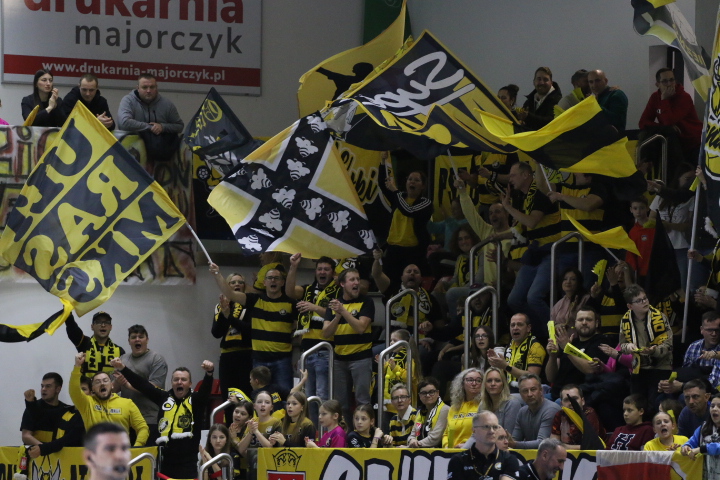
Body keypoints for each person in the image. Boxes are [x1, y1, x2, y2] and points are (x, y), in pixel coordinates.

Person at [109, 357, 214, 478]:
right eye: (176, 379)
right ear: (171, 383)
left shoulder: (197, 401)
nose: (179, 382)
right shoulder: (163, 397)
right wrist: (123, 368)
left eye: (184, 380)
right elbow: (142, 385)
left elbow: (205, 391)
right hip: (164, 464)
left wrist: (209, 373)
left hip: (188, 466)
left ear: (190, 384)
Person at [210, 262, 298, 392]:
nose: (273, 280)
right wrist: (217, 273)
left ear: (282, 282)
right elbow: (230, 294)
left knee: (284, 396)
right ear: (264, 283)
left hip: (282, 360)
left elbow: (297, 330)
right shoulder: (254, 300)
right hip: (259, 359)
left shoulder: (290, 303)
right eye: (269, 278)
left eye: (276, 278)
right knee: (259, 397)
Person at [503, 162, 562, 337]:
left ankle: (555, 334)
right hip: (535, 252)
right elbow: (521, 227)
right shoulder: (523, 197)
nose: (510, 179)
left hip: (550, 252)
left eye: (513, 175)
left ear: (525, 175)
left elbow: (531, 221)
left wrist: (507, 207)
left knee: (533, 297)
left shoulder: (539, 194)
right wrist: (494, 237)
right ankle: (539, 332)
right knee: (514, 300)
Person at [285, 253, 339, 416]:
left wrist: (314, 307)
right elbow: (289, 292)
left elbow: (337, 315)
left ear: (333, 273)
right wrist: (293, 267)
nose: (322, 272)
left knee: (322, 396)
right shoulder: (308, 289)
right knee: (308, 398)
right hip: (306, 352)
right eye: (319, 269)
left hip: (325, 351)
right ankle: (314, 429)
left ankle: (324, 430)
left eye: (326, 269)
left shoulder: (338, 292)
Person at [322, 268, 374, 421]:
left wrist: (343, 311)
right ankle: (345, 433)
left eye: (358, 279)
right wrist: (337, 316)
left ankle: (366, 433)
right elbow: (326, 333)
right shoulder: (334, 305)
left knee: (362, 401)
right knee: (341, 404)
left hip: (361, 359)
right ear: (342, 284)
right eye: (352, 280)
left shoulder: (367, 301)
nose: (356, 283)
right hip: (339, 360)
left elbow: (361, 328)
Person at [70, 353, 148, 446]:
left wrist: (137, 447)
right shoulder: (87, 404)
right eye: (97, 382)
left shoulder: (127, 403)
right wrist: (77, 366)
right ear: (93, 389)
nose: (102, 384)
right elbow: (74, 390)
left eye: (105, 380)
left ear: (112, 385)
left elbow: (142, 428)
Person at [619, 284, 673, 405]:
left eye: (645, 298)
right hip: (638, 367)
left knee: (654, 403)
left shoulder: (660, 317)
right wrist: (628, 347)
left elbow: (669, 345)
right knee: (636, 403)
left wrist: (653, 351)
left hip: (660, 366)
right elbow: (622, 345)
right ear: (630, 306)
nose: (644, 302)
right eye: (639, 301)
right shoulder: (625, 320)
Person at [115, 324, 167, 444]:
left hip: (149, 418)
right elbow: (114, 388)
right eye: (133, 337)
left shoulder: (156, 359)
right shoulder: (123, 359)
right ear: (129, 341)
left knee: (145, 454)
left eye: (141, 337)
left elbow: (154, 388)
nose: (137, 339)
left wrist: (128, 385)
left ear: (147, 339)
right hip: (127, 420)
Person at [639, 68, 702, 166]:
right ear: (657, 84)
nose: (669, 84)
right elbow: (643, 122)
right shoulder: (655, 97)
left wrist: (664, 100)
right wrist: (661, 127)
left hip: (693, 143)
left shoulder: (684, 97)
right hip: (674, 144)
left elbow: (669, 121)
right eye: (664, 81)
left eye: (671, 80)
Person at [212, 271, 253, 422]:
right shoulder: (221, 306)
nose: (237, 285)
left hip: (245, 355)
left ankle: (246, 429)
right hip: (227, 356)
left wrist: (230, 317)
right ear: (227, 286)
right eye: (233, 282)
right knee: (228, 396)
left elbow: (249, 330)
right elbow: (216, 333)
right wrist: (224, 314)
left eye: (240, 282)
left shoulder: (250, 304)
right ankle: (230, 428)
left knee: (244, 395)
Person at [117, 73, 183, 161]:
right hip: (133, 156)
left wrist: (162, 127)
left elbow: (179, 126)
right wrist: (150, 127)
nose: (148, 90)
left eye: (152, 87)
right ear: (138, 88)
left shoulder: (167, 104)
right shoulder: (128, 101)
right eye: (144, 87)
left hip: (161, 158)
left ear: (157, 88)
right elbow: (123, 123)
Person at [382, 170, 434, 282]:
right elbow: (383, 185)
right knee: (389, 281)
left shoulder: (426, 203)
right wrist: (382, 164)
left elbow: (408, 210)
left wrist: (396, 191)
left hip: (412, 250)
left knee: (410, 282)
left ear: (423, 186)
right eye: (410, 179)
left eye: (417, 180)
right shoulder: (399, 197)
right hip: (393, 247)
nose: (412, 182)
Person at [21, 373, 84, 458]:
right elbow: (26, 436)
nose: (43, 389)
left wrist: (48, 449)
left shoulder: (66, 410)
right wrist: (44, 449)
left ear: (58, 389)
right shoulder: (32, 407)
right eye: (42, 386)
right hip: (36, 456)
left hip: (58, 457)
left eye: (48, 386)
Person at [446, 411, 523, 480]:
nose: (491, 431)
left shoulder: (509, 459)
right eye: (486, 427)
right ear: (474, 430)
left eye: (495, 427)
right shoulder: (458, 460)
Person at [659, 311, 720, 396]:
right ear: (701, 330)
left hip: (710, 393)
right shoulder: (694, 346)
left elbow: (714, 384)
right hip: (690, 385)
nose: (714, 334)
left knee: (683, 397)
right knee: (662, 396)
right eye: (709, 330)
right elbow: (685, 373)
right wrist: (668, 384)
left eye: (717, 330)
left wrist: (683, 386)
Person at [488, 313, 546, 390]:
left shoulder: (535, 347)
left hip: (528, 391)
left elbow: (533, 376)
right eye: (512, 325)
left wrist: (505, 366)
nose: (515, 328)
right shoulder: (511, 344)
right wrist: (497, 364)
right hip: (509, 389)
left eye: (520, 325)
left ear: (528, 328)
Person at [509, 374, 560, 449]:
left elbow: (543, 443)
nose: (529, 394)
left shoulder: (551, 409)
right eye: (525, 391)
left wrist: (515, 444)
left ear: (541, 390)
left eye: (533, 389)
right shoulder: (522, 412)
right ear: (520, 393)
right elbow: (515, 440)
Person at [65, 311, 125, 376]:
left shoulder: (119, 350)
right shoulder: (84, 343)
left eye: (107, 322)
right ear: (92, 326)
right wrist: (68, 311)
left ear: (111, 327)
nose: (103, 325)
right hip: (86, 382)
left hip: (110, 383)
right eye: (98, 322)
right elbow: (71, 327)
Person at [550, 384, 606, 450]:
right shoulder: (559, 415)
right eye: (566, 400)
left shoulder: (589, 414)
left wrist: (566, 447)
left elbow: (592, 446)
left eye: (574, 399)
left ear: (582, 401)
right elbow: (553, 443)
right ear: (561, 404)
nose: (571, 403)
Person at [442, 368, 483, 448]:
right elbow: (446, 434)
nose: (474, 383)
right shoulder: (454, 407)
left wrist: (467, 446)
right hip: (452, 452)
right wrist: (446, 446)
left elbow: (487, 434)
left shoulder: (484, 405)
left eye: (478, 380)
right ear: (462, 383)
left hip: (473, 451)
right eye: (470, 380)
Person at [478, 367, 523, 433]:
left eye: (497, 380)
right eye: (489, 381)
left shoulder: (512, 403)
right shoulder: (482, 404)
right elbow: (477, 431)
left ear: (503, 384)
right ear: (484, 384)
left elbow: (508, 435)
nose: (493, 384)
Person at [407, 377, 449, 448]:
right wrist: (411, 440)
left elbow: (435, 439)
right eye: (424, 393)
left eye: (431, 392)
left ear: (438, 393)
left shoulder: (445, 410)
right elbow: (412, 435)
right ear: (419, 396)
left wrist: (414, 445)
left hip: (438, 451)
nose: (428, 395)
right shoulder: (420, 412)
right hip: (421, 450)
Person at [681, 393, 720, 463]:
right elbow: (692, 441)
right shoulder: (704, 427)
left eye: (719, 406)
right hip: (707, 469)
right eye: (712, 406)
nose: (714, 409)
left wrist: (701, 449)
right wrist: (687, 446)